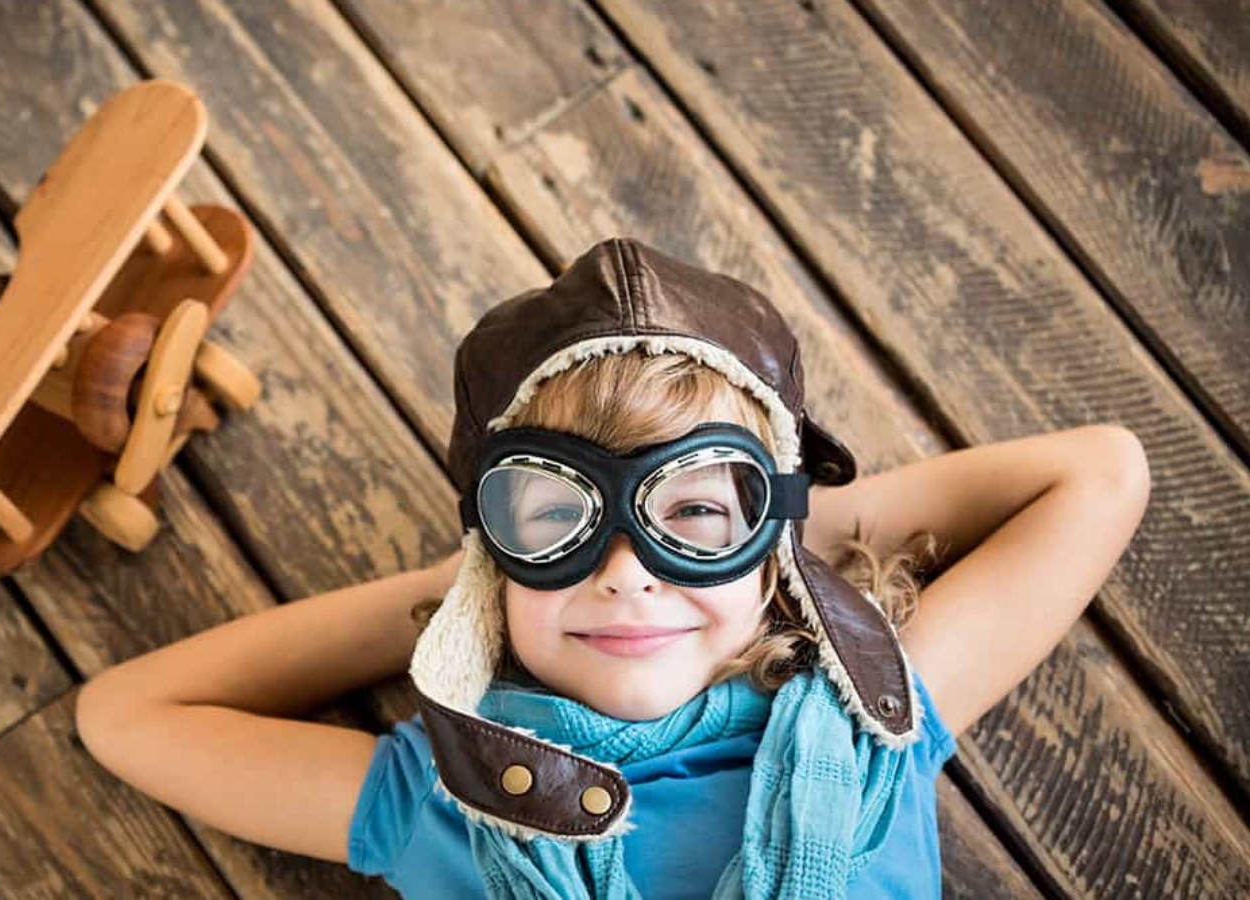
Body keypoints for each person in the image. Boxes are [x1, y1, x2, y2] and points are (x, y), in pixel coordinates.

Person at [74, 238, 1150, 899]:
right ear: (490, 555)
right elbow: (122, 714)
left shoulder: (872, 730)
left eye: (691, 510)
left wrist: (773, 531)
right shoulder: (441, 799)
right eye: (553, 520)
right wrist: (473, 591)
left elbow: (1102, 473)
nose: (628, 572)